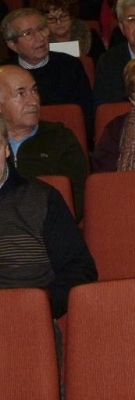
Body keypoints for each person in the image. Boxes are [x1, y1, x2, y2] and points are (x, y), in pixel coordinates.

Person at [0, 109, 96, 315]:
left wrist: (41, 303)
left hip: (25, 322)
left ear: (6, 148)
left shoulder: (43, 199)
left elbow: (80, 270)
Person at [0, 65, 89, 222]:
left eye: (34, 90)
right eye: (21, 93)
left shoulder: (61, 138)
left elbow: (78, 198)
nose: (33, 101)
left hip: (47, 229)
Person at [0, 7, 93, 133]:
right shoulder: (4, 74)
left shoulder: (70, 65)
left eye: (41, 29)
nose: (40, 38)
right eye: (28, 33)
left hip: (64, 139)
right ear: (12, 45)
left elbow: (86, 116)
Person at [36, 0, 105, 64]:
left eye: (63, 16)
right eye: (51, 19)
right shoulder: (39, 42)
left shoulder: (90, 36)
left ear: (72, 15)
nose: (58, 22)